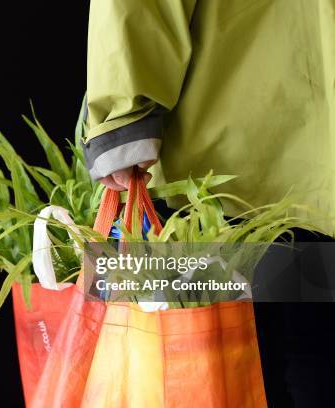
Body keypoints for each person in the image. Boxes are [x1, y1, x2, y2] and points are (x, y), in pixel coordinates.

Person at [83, 0, 335, 406]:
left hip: (223, 162)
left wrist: (123, 117)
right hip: (311, 174)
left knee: (222, 361)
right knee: (317, 350)